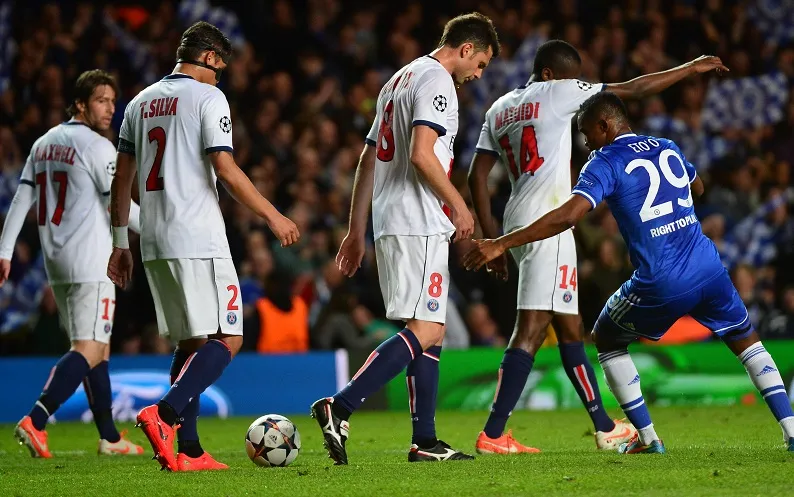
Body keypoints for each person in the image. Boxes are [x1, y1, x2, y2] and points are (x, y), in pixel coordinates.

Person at [463, 91, 794, 454]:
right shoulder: (667, 146)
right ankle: (791, 430)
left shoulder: (604, 161)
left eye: (587, 134)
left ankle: (649, 439)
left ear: (605, 125)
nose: (585, 143)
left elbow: (570, 216)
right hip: (708, 267)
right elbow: (697, 187)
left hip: (661, 278)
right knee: (746, 338)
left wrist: (502, 242)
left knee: (605, 337)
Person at [108, 21, 299, 472]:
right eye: (221, 68)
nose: (221, 77)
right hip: (198, 236)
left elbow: (122, 179)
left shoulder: (139, 102)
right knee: (229, 336)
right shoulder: (209, 97)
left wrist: (120, 241)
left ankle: (190, 451)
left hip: (153, 238)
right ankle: (165, 413)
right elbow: (226, 169)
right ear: (211, 58)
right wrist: (272, 214)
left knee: (192, 341)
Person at [311, 12, 500, 464]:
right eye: (483, 64)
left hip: (393, 218)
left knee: (428, 332)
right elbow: (420, 154)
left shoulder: (398, 79)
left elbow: (368, 160)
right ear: (467, 48)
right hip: (417, 218)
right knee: (430, 327)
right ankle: (341, 405)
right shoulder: (437, 82)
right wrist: (459, 203)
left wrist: (358, 231)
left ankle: (426, 441)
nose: (478, 75)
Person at [1, 70, 144, 458]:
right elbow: (118, 206)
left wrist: (4, 252)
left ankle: (110, 438)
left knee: (99, 347)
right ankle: (37, 419)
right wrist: (160, 227)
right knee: (89, 347)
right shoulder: (97, 148)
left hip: (57, 262)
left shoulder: (45, 143)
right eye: (101, 100)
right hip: (92, 260)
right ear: (80, 103)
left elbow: (21, 199)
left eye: (113, 101)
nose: (110, 108)